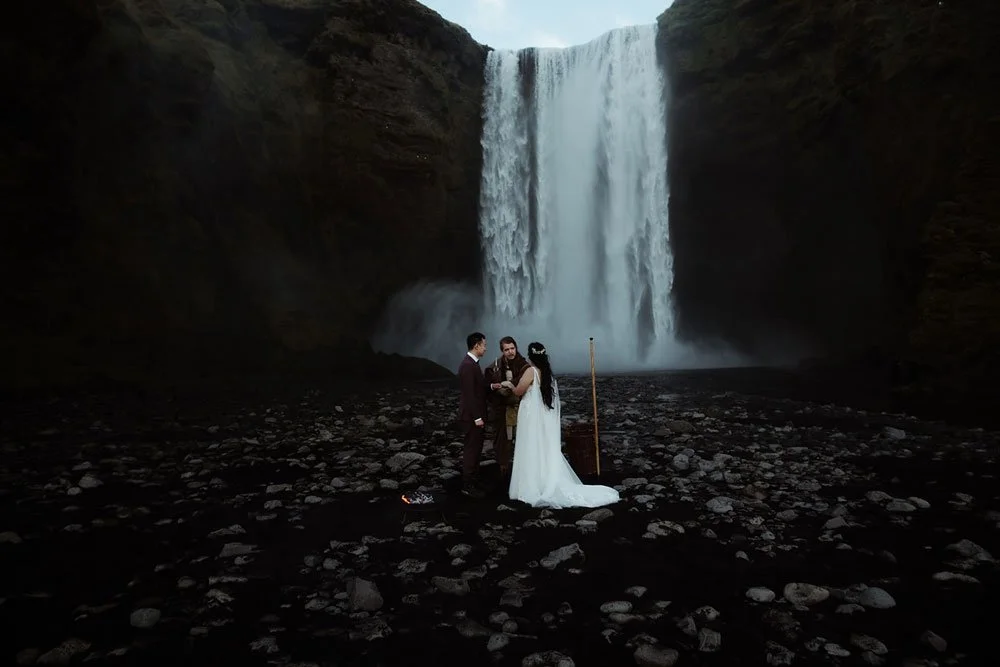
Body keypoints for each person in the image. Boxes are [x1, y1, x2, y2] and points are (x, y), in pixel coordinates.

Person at [503, 341, 620, 509]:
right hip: (541, 415)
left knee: (530, 445)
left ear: (530, 356)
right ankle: (544, 478)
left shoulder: (531, 371)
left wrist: (508, 384)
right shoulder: (548, 375)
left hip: (530, 415)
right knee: (542, 446)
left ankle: (531, 484)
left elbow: (519, 391)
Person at [456, 332, 505, 498]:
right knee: (471, 450)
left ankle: (474, 480)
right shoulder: (468, 366)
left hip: (474, 416)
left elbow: (479, 386)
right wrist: (477, 418)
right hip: (471, 417)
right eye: (484, 345)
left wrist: (492, 386)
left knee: (476, 450)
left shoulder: (472, 364)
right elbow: (469, 395)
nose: (485, 348)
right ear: (476, 345)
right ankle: (467, 485)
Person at [484, 336, 530, 480]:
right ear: (502, 351)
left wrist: (510, 385)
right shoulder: (495, 366)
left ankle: (523, 471)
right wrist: (499, 389)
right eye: (506, 350)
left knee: (523, 438)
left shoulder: (523, 365)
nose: (510, 352)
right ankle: (503, 469)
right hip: (502, 409)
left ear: (516, 347)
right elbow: (488, 387)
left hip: (521, 407)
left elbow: (525, 383)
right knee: (503, 440)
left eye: (512, 348)